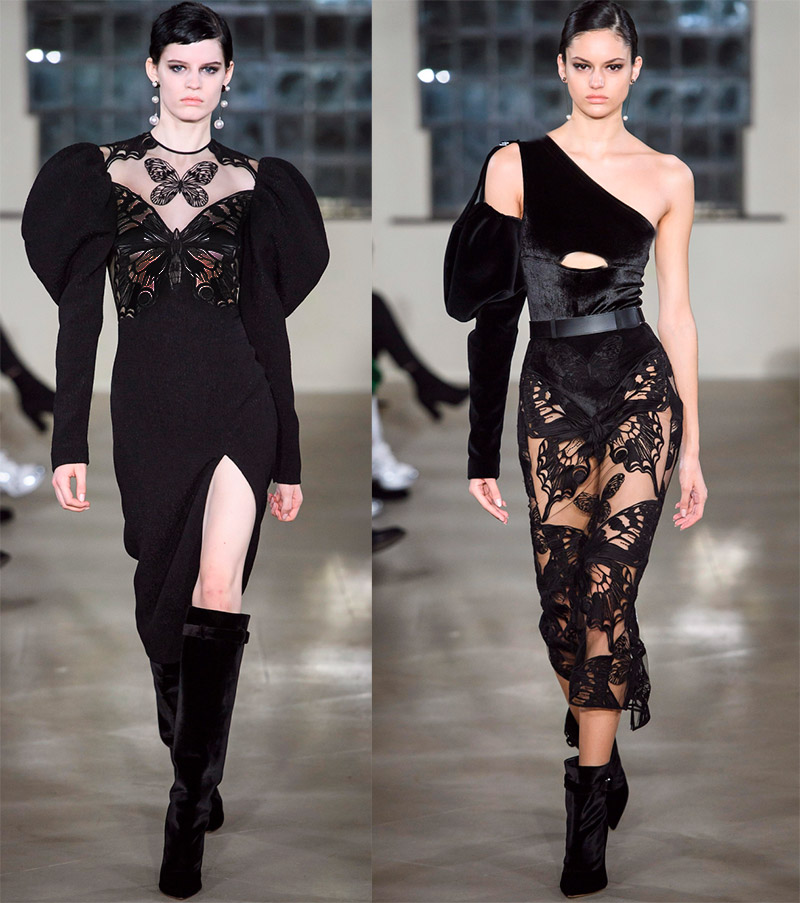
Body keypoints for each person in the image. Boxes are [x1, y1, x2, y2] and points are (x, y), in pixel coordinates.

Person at [21, 2, 329, 898]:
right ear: (151, 71)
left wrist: (289, 455)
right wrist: (69, 438)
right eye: (179, 65)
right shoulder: (98, 175)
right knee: (164, 607)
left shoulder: (258, 184)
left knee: (217, 591)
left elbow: (269, 329)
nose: (194, 82)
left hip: (240, 409)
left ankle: (186, 809)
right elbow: (80, 321)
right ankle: (191, 738)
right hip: (148, 415)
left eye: (209, 67)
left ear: (229, 76)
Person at [443, 1, 707, 897]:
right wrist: (479, 449)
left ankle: (585, 825)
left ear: (637, 71)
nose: (598, 80)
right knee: (562, 606)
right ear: (561, 67)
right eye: (583, 64)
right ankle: (607, 719)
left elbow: (678, 313)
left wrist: (693, 448)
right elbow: (492, 317)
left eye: (613, 65)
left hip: (639, 388)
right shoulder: (515, 166)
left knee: (605, 595)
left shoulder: (668, 175)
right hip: (552, 391)